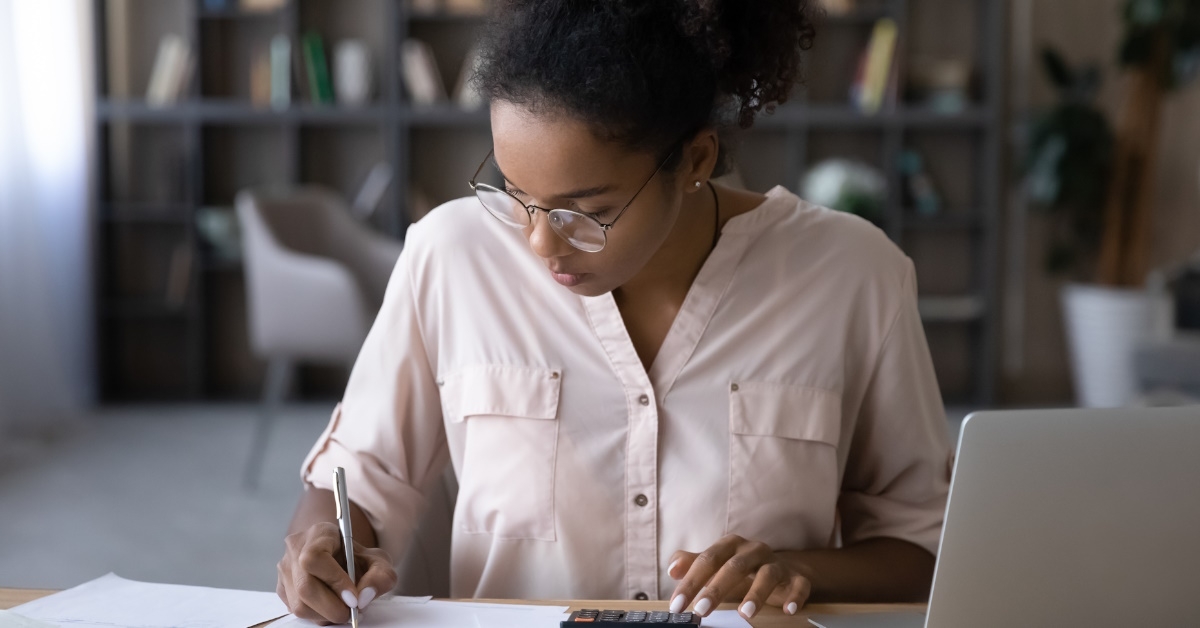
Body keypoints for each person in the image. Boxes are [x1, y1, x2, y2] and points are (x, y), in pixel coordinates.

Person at [275, 0, 952, 624]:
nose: (540, 242)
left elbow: (925, 548)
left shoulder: (853, 276)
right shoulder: (450, 258)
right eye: (515, 195)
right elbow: (357, 484)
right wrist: (323, 546)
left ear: (695, 159)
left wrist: (801, 569)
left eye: (587, 212)